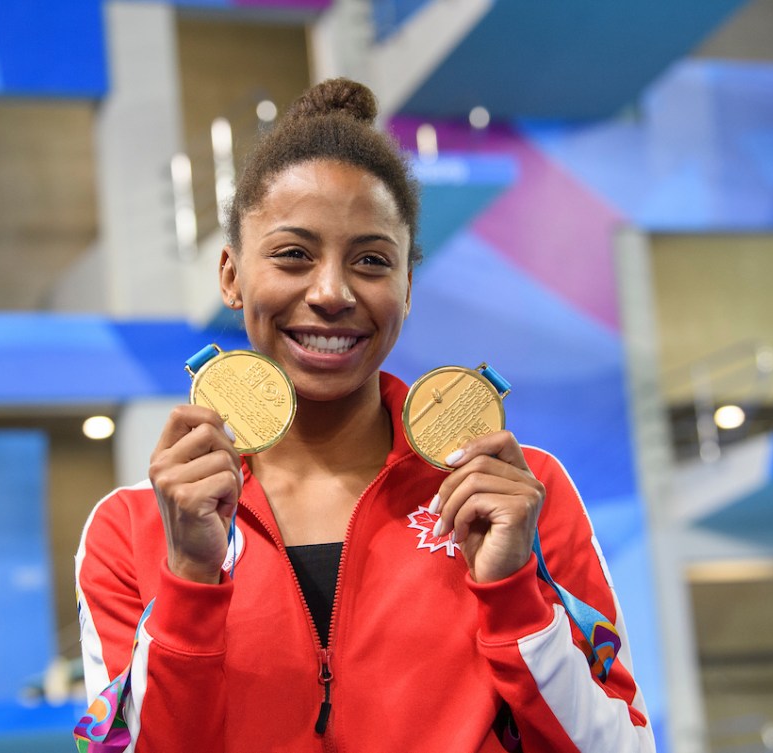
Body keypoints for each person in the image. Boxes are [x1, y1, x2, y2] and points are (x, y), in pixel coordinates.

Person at [75, 78, 654, 752]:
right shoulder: (133, 529)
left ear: (406, 286)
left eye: (371, 261)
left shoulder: (518, 494)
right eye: (293, 254)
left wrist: (512, 594)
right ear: (231, 275)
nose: (330, 292)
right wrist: (189, 582)